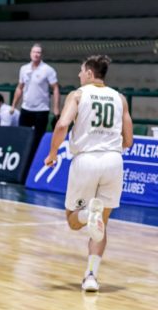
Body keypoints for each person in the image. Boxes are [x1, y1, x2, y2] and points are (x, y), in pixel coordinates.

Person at [44, 55, 132, 292]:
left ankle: (86, 215)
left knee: (74, 221)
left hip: (86, 160)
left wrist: (52, 153)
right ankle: (91, 276)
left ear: (90, 73)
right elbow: (129, 139)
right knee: (101, 224)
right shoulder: (120, 98)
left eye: (81, 71)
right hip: (113, 161)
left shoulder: (78, 95)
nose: (79, 75)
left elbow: (62, 125)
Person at [11, 44, 60, 155]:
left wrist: (56, 108)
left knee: (38, 139)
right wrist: (14, 105)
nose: (36, 54)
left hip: (41, 110)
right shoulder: (24, 69)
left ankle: (36, 160)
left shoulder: (48, 70)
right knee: (23, 136)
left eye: (38, 52)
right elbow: (19, 87)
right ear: (30, 53)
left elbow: (55, 88)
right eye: (34, 52)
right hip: (26, 108)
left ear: (41, 55)